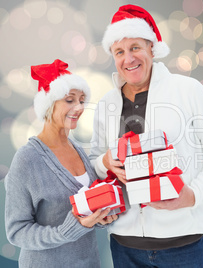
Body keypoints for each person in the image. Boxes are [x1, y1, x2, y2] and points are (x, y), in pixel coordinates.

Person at [89, 4, 203, 267]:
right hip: (125, 246)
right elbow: (93, 161)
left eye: (135, 47)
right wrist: (104, 162)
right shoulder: (106, 104)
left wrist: (193, 194)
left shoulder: (188, 90)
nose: (128, 59)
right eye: (119, 51)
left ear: (151, 48)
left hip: (183, 245)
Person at [4, 59, 117, 268]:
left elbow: (84, 210)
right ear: (49, 103)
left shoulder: (78, 149)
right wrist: (67, 230)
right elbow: (17, 232)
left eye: (82, 100)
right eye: (69, 100)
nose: (79, 107)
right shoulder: (27, 159)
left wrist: (100, 218)